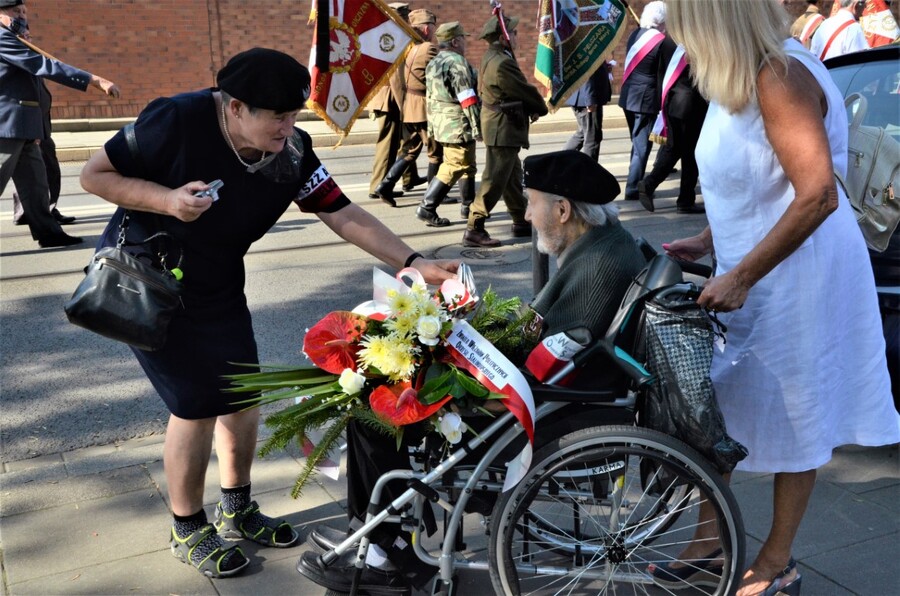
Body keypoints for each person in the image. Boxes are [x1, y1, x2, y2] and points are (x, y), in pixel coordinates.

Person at [78, 48, 458, 580]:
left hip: (218, 283)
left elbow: (341, 211)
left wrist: (413, 262)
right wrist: (167, 201)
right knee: (195, 403)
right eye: (277, 116)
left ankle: (236, 506)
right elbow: (94, 174)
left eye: (294, 114)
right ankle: (187, 526)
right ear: (234, 108)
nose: (289, 126)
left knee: (242, 392)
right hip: (151, 280)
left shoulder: (291, 152)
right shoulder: (177, 120)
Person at [297, 149, 647, 595]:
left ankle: (383, 552)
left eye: (532, 203)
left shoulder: (599, 265)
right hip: (559, 395)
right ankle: (377, 537)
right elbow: (545, 338)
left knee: (375, 413)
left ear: (563, 210)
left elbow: (544, 355)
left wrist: (461, 366)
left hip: (549, 409)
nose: (528, 214)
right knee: (385, 392)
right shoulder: (602, 244)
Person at [661, 2, 900, 595]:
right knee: (717, 408)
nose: (679, 40)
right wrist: (708, 238)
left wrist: (742, 276)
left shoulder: (779, 76)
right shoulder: (742, 76)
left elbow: (816, 193)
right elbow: (754, 176)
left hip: (797, 276)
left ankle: (777, 560)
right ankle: (709, 539)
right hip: (755, 268)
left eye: (685, 27)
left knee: (796, 414)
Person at [0, 0, 118, 247]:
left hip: (23, 126)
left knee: (35, 184)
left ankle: (49, 234)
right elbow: (44, 66)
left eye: (24, 12)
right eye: (15, 12)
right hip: (6, 127)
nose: (21, 17)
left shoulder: (16, 39)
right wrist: (94, 80)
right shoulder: (3, 38)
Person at [463, 13, 548, 248]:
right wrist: (539, 106)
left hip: (500, 124)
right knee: (494, 179)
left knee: (511, 177)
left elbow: (507, 92)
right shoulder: (502, 62)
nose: (517, 35)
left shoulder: (493, 56)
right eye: (514, 32)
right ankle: (474, 228)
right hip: (502, 127)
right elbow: (522, 89)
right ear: (503, 37)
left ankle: (521, 220)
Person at [416, 21, 480, 227]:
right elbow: (467, 97)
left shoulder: (435, 62)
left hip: (441, 123)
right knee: (455, 165)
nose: (465, 43)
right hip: (457, 123)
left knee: (468, 164)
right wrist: (477, 125)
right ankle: (427, 207)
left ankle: (468, 206)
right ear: (454, 41)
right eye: (462, 38)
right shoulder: (457, 62)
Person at [373, 8, 439, 206]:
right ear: (426, 29)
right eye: (433, 27)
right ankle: (433, 195)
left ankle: (388, 185)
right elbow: (398, 80)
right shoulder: (424, 47)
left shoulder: (406, 45)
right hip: (413, 105)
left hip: (408, 105)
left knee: (410, 148)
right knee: (434, 152)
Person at [11, 22, 74, 226]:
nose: (28, 40)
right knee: (32, 172)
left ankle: (45, 209)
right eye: (24, 37)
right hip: (30, 127)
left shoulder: (31, 60)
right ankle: (30, 211)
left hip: (42, 125)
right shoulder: (18, 61)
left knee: (47, 169)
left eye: (29, 37)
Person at [637, 36, 708, 214]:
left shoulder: (668, 40)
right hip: (692, 103)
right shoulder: (697, 37)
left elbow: (660, 72)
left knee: (675, 148)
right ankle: (683, 199)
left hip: (672, 101)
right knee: (689, 154)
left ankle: (653, 185)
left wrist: (661, 103)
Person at [367, 2, 421, 205]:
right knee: (388, 144)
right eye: (406, 18)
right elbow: (396, 78)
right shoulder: (395, 38)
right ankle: (378, 185)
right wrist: (405, 106)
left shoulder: (382, 34)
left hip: (384, 97)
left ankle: (409, 177)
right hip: (390, 99)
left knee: (406, 138)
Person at [617, 1, 667, 202]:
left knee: (637, 142)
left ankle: (636, 179)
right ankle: (632, 187)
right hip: (645, 100)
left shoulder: (634, 35)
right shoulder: (661, 42)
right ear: (662, 21)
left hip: (628, 96)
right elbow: (662, 72)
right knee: (641, 146)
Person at [562, 62, 612, 162]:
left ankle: (560, 161)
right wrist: (590, 100)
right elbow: (587, 72)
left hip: (581, 97)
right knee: (592, 138)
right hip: (587, 98)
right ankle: (589, 169)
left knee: (582, 133)